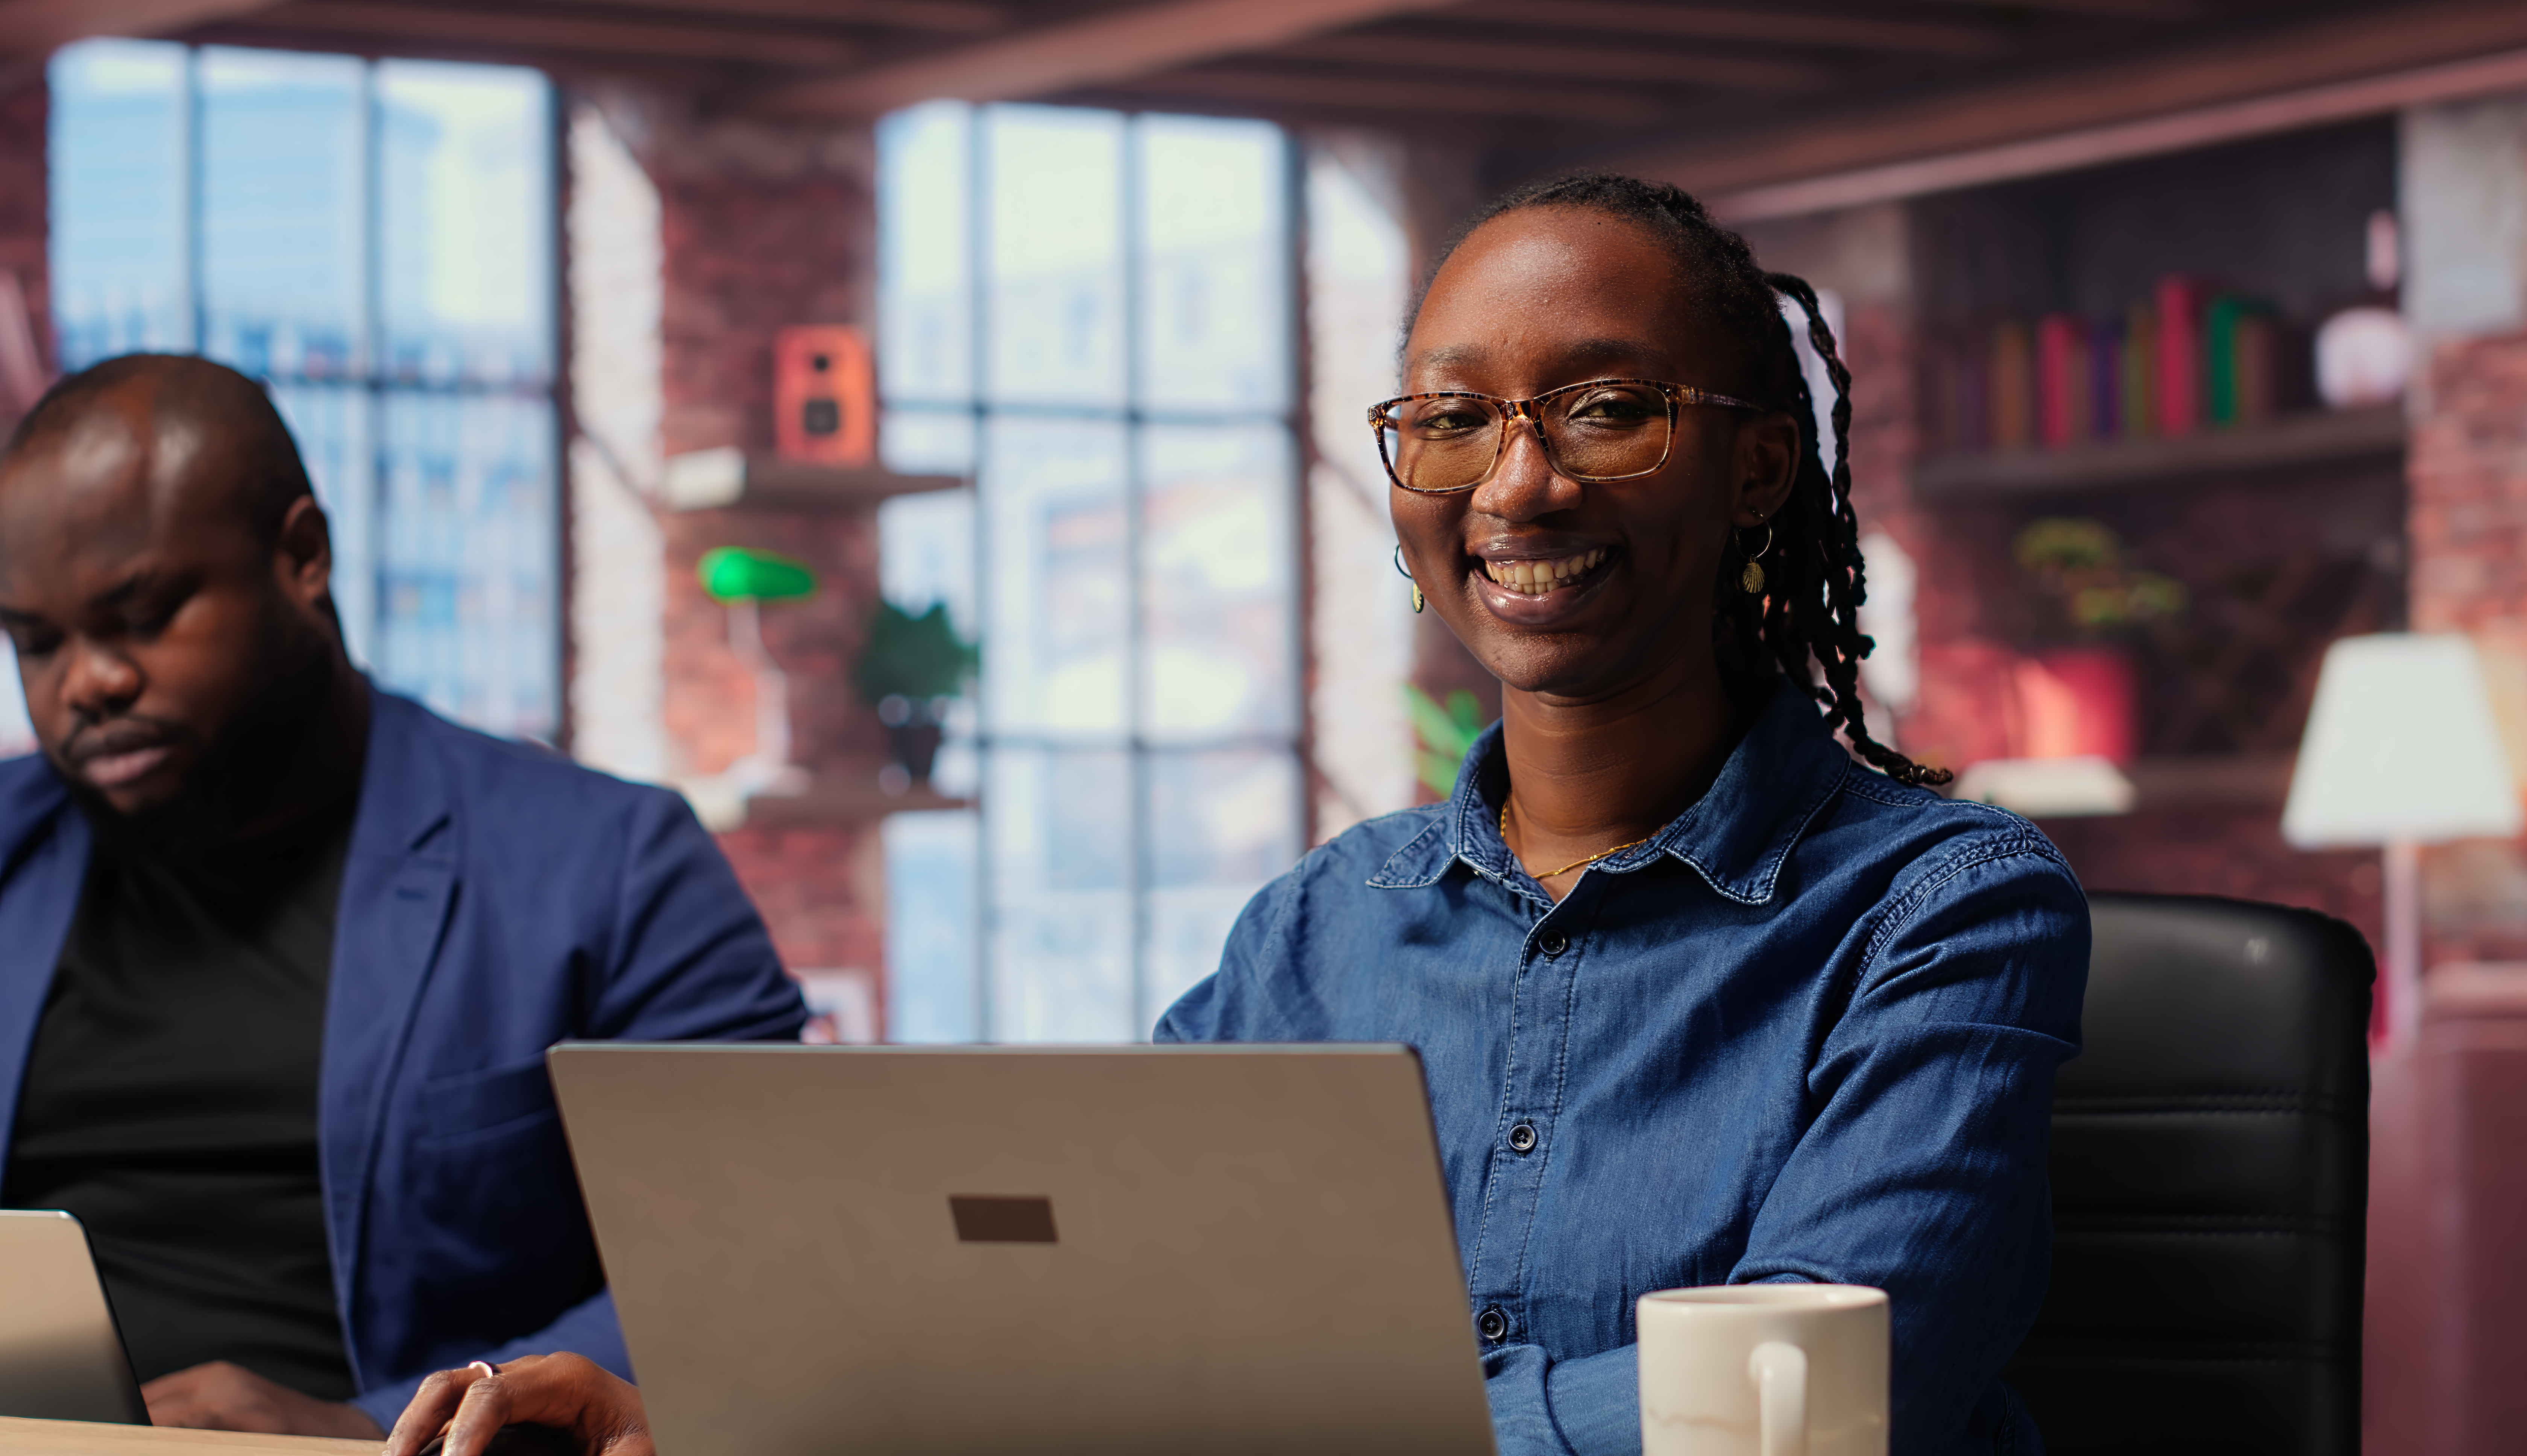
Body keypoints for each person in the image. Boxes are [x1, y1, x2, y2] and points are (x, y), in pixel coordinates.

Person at [387, 174, 2088, 1456]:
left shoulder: (1948, 908)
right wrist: (697, 1416)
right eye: (1452, 418)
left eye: (1603, 406)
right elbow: (1082, 1308)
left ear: (1758, 470)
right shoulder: (1322, 929)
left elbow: (1804, 1398)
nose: (1519, 483)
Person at [0, 355, 810, 1437]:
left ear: (302, 557)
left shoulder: (612, 867)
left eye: (142, 614)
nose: (86, 683)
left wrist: (366, 1429)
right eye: (36, 643)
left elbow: (759, 1263)